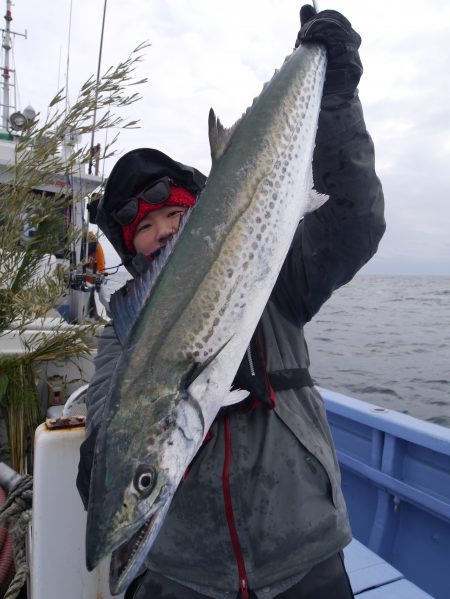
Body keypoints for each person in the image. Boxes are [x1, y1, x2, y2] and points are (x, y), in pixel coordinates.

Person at [77, 6, 385, 599]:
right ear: (129, 247)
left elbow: (356, 223)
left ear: (199, 214)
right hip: (188, 575)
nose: (164, 231)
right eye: (144, 227)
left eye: (175, 214)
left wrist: (337, 96)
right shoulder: (122, 336)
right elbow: (108, 429)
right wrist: (106, 466)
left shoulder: (271, 271)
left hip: (304, 552)